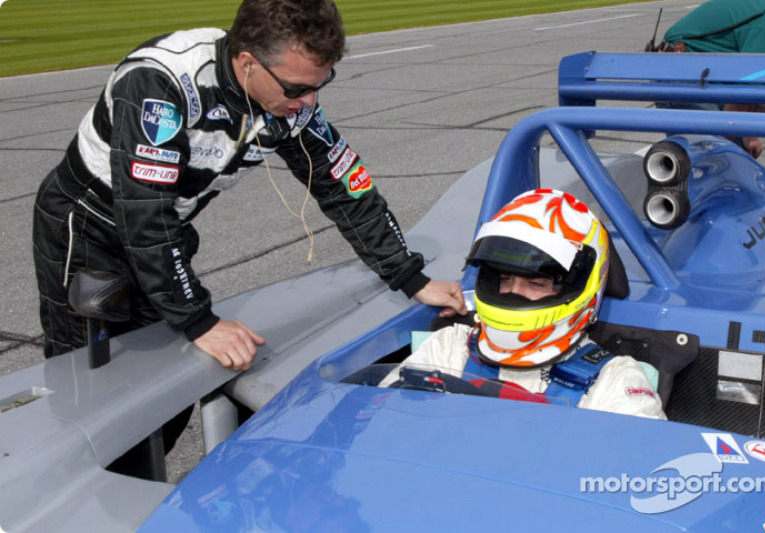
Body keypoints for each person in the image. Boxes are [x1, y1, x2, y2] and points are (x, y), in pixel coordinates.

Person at [32, 0, 467, 372]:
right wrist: (198, 320)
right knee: (89, 378)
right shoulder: (160, 82)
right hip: (89, 225)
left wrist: (409, 276)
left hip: (163, 227)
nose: (309, 102)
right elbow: (144, 213)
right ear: (247, 63)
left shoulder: (289, 99)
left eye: (320, 84)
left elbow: (344, 185)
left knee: (166, 372)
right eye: (297, 88)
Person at [381, 189, 666, 419]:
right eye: (504, 278)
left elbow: (634, 476)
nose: (512, 292)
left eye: (535, 283)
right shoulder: (448, 347)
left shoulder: (615, 381)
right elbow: (385, 423)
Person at [657, 0, 765, 158]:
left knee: (736, 156)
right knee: (713, 160)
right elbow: (746, 89)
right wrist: (721, 145)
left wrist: (748, 133)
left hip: (710, 75)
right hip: (681, 69)